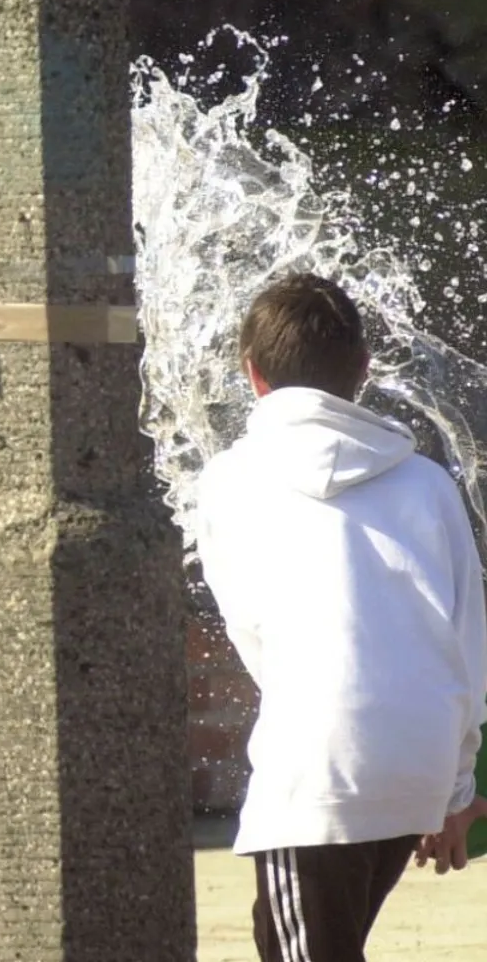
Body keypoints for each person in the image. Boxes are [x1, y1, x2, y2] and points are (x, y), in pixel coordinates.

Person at [194, 272, 487, 961]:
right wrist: (456, 788)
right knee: (301, 937)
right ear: (362, 370)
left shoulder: (231, 479)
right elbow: (468, 641)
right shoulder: (428, 482)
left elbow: (254, 636)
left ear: (251, 375)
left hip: (321, 768)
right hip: (420, 757)